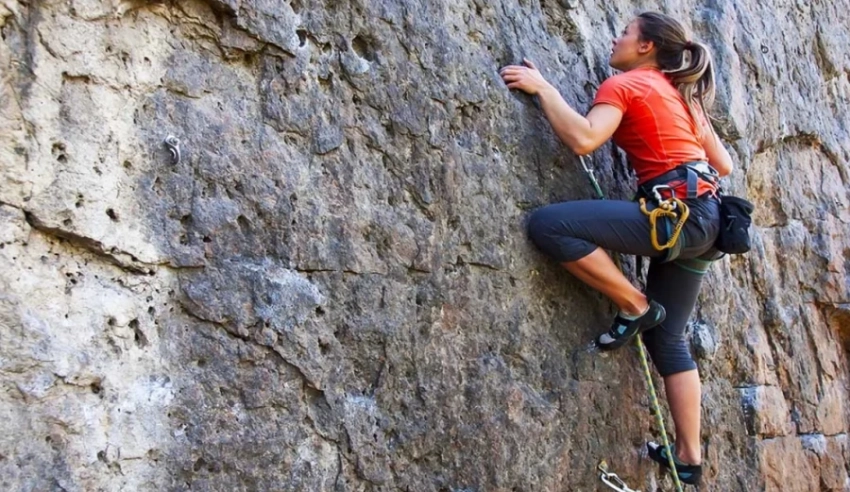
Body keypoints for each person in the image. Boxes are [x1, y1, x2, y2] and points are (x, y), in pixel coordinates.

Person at [499, 11, 735, 486]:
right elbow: (723, 164)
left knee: (550, 226)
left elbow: (585, 139)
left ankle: (634, 304)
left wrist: (544, 89)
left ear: (646, 47)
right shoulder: (682, 95)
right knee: (668, 339)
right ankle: (688, 457)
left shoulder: (626, 84)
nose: (615, 38)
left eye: (625, 32)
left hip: (677, 217)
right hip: (707, 222)